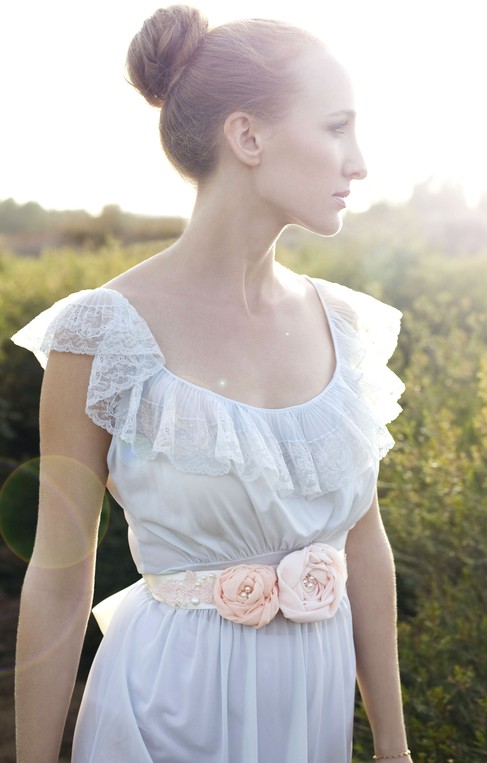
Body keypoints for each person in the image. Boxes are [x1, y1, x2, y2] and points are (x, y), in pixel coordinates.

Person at [12, 5, 411, 762]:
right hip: (165, 716)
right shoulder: (101, 336)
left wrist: (395, 747)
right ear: (247, 136)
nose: (358, 161)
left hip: (312, 723)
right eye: (336, 127)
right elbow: (59, 577)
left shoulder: (345, 327)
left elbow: (365, 542)